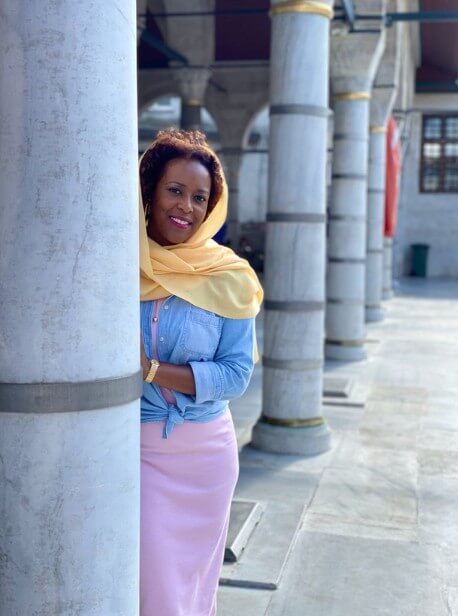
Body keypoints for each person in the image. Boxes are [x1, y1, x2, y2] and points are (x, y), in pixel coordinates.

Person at [138, 128, 263, 616]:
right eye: (175, 190)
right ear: (148, 189)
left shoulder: (228, 275)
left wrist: (152, 371)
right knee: (153, 586)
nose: (186, 207)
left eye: (200, 197)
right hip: (137, 449)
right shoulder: (116, 264)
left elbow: (235, 375)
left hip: (206, 453)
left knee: (192, 592)